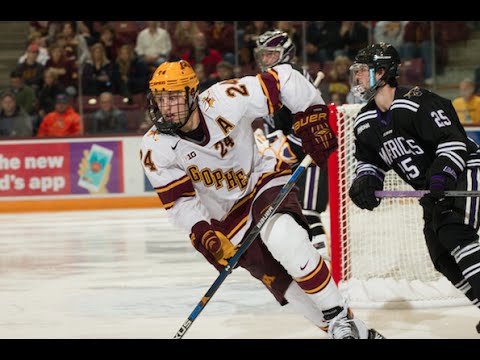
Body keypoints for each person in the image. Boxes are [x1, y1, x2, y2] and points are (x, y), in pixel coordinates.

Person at [139, 59, 384, 339]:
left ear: (192, 94)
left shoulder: (223, 99)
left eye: (173, 97)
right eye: (160, 99)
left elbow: (285, 78)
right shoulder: (154, 147)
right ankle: (360, 335)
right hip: (227, 218)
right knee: (286, 286)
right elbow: (180, 202)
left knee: (284, 238)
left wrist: (313, 116)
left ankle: (339, 317)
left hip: (261, 182)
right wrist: (203, 232)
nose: (165, 107)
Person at [347, 42, 480, 333]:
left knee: (454, 234)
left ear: (382, 72)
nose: (356, 78)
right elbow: (368, 161)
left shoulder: (419, 102)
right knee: (442, 258)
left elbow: (453, 141)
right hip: (431, 189)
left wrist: (441, 175)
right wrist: (365, 181)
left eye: (362, 71)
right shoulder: (365, 121)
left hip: (464, 172)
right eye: (356, 72)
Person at [252, 29, 330, 260]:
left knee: (308, 209)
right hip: (289, 154)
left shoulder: (293, 77)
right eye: (263, 55)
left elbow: (312, 117)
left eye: (271, 54)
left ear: (285, 53)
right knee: (290, 210)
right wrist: (273, 146)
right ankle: (305, 254)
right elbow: (270, 122)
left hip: (311, 152)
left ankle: (322, 255)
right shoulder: (267, 82)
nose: (265, 59)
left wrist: (287, 147)